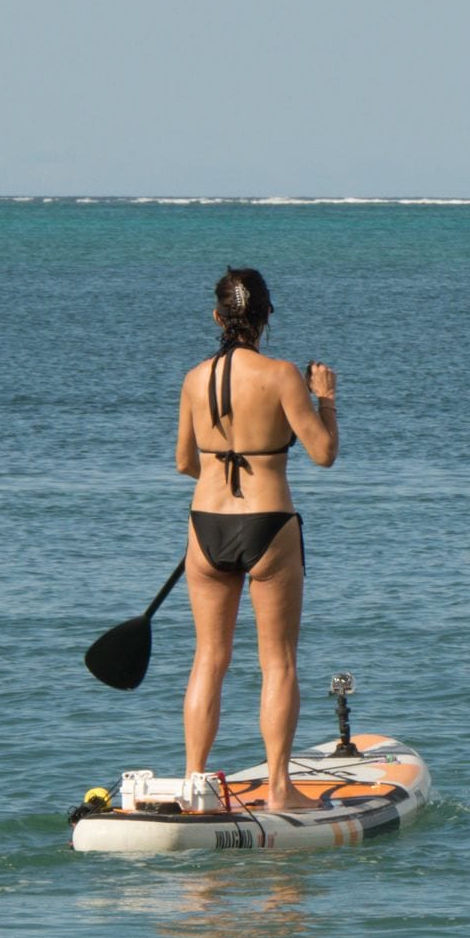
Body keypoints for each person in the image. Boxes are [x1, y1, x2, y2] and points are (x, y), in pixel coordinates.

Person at [173, 267, 340, 806]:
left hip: (206, 526)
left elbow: (183, 463)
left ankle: (196, 781)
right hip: (268, 525)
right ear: (266, 316)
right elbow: (323, 453)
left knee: (209, 657)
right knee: (279, 661)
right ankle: (280, 789)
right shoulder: (282, 374)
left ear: (217, 316)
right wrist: (326, 401)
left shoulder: (194, 378)